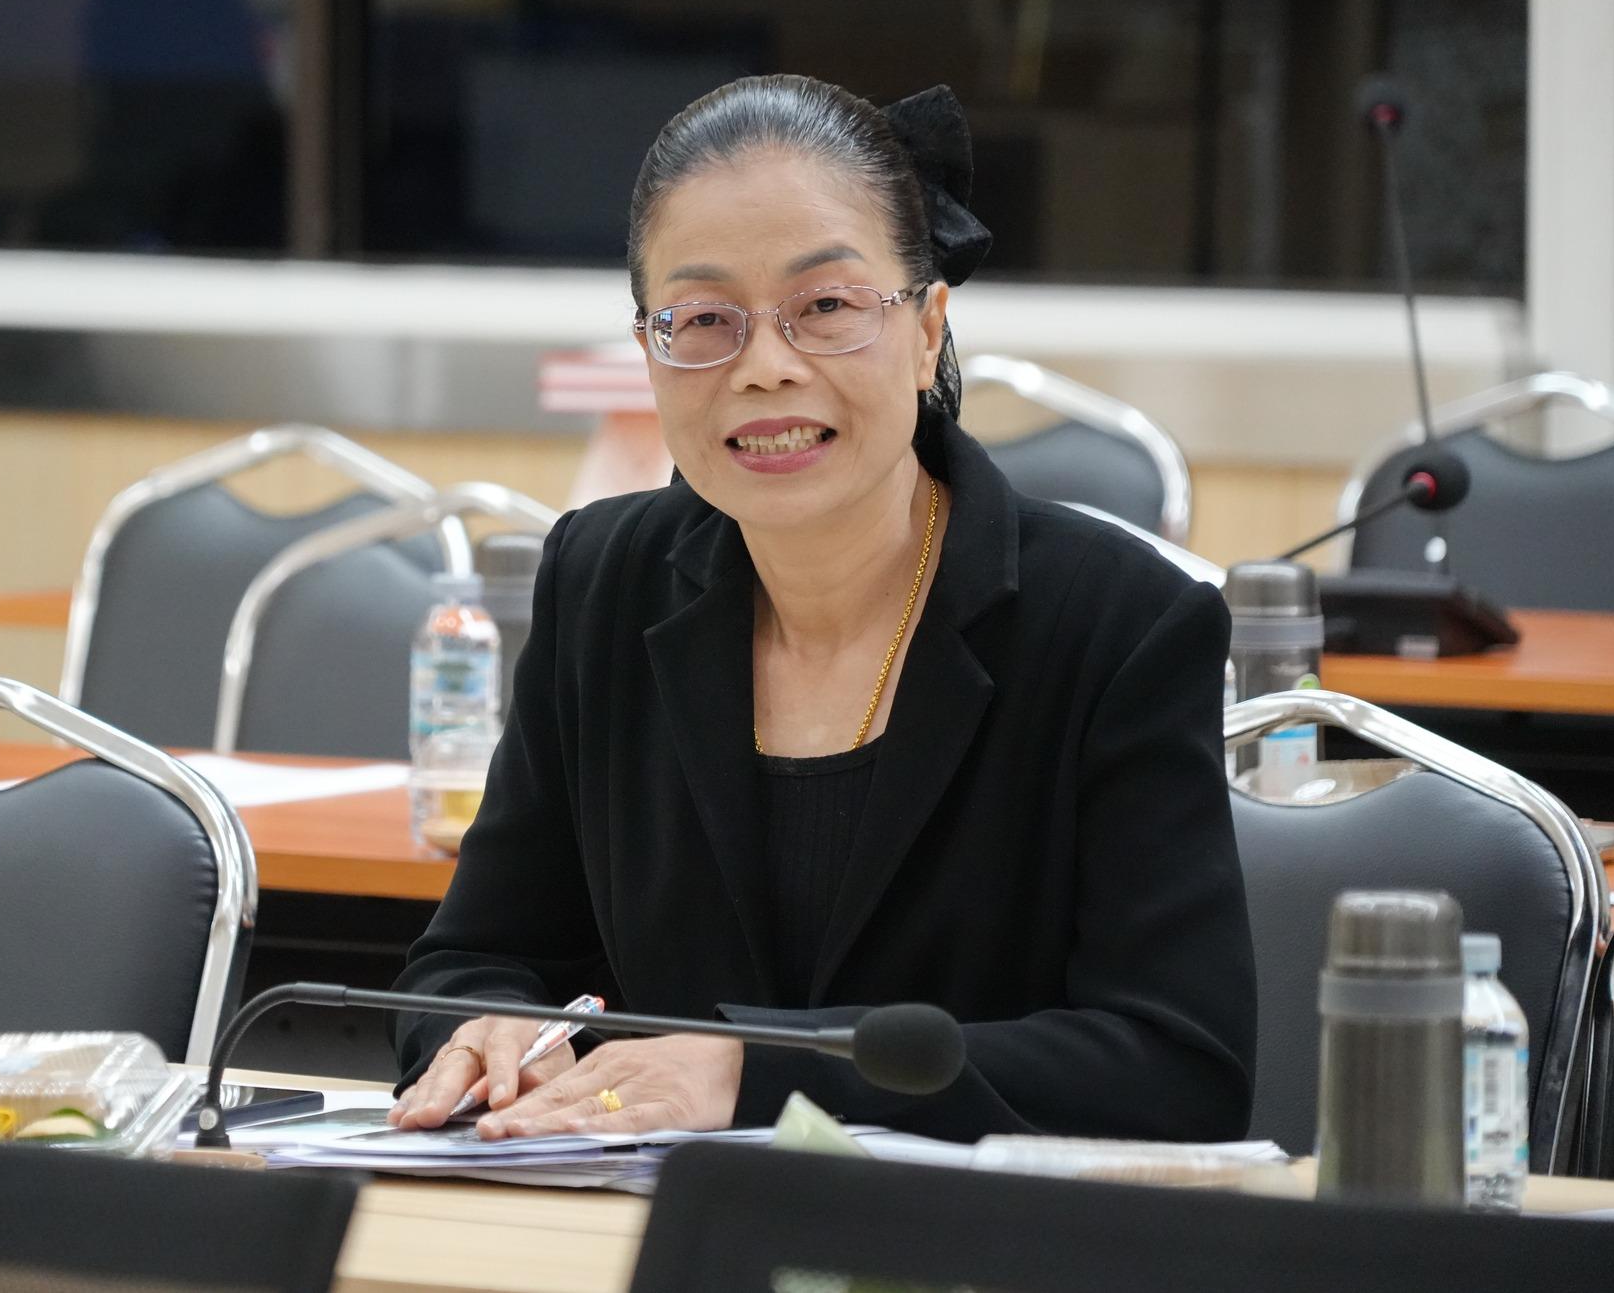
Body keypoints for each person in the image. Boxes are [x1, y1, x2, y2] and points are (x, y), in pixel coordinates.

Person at [387, 75, 1256, 1144]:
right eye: (704, 320)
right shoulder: (601, 581)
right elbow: (472, 959)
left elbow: (1178, 1068)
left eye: (826, 308)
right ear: (649, 349)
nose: (764, 369)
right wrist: (480, 1031)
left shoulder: (1119, 624)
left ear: (926, 329)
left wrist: (755, 1072)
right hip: (660, 1224)